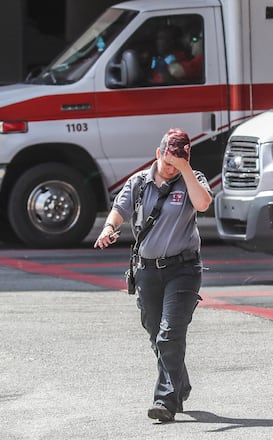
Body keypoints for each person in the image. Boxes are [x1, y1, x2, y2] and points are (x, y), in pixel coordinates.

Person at [94, 128, 212, 422]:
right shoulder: (139, 182)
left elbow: (203, 204)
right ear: (158, 153)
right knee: (156, 335)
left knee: (170, 333)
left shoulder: (192, 180)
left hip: (183, 270)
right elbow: (118, 209)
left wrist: (184, 169)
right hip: (147, 271)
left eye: (179, 161)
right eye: (168, 160)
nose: (171, 167)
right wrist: (109, 228)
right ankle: (179, 382)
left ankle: (165, 401)